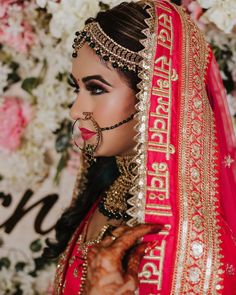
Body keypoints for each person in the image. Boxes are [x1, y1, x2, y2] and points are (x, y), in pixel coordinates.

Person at [43, 0, 236, 294]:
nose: (76, 110)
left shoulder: (194, 244)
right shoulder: (105, 193)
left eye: (96, 88)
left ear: (154, 95)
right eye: (77, 88)